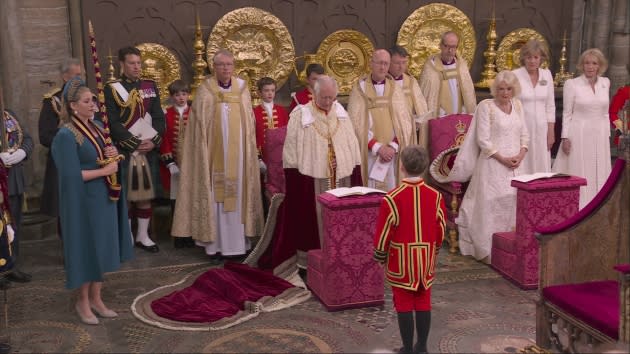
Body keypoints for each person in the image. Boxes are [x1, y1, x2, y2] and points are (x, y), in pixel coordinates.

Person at [51, 77, 133, 325]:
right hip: (83, 202)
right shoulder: (65, 135)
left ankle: (97, 298)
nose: (93, 105)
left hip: (103, 198)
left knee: (102, 249)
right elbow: (69, 175)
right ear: (73, 106)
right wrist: (103, 172)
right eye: (87, 101)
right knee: (86, 250)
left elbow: (105, 157)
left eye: (93, 100)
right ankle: (82, 301)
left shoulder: (97, 127)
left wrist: (114, 157)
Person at [172, 49, 263, 262]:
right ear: (214, 67)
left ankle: (239, 244)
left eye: (229, 64)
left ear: (233, 66)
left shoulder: (242, 88)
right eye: (221, 64)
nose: (225, 68)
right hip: (213, 157)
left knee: (238, 195)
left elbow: (250, 122)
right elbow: (197, 127)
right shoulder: (205, 89)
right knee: (216, 198)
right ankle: (216, 246)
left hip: (239, 156)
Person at [279, 75, 362, 269]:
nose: (328, 102)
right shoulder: (300, 115)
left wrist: (354, 169)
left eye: (332, 98)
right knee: (313, 224)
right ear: (314, 94)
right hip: (311, 182)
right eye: (324, 97)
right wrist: (295, 182)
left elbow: (353, 145)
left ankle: (341, 257)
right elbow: (290, 153)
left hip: (341, 178)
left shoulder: (341, 112)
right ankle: (312, 263)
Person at [373, 145, 446, 354]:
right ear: (423, 167)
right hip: (425, 258)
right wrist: (435, 249)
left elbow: (384, 232)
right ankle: (421, 347)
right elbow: (440, 227)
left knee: (403, 303)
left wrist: (380, 255)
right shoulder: (435, 196)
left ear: (402, 167)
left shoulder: (392, 197)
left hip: (400, 260)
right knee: (423, 300)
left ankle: (407, 348)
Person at [452, 71, 529, 263]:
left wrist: (520, 155)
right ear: (495, 89)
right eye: (501, 89)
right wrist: (503, 159)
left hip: (516, 165)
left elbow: (525, 135)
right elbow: (483, 140)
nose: (505, 93)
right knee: (491, 204)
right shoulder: (486, 107)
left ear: (514, 90)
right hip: (492, 163)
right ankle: (488, 248)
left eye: (509, 89)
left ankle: (509, 247)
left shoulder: (518, 105)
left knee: (513, 202)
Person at [104, 46, 165, 253]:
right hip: (127, 150)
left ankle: (143, 236)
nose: (137, 67)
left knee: (145, 194)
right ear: (122, 64)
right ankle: (127, 236)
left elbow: (158, 116)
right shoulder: (112, 88)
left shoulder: (150, 86)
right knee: (128, 195)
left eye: (139, 63)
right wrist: (133, 143)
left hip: (148, 149)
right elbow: (112, 121)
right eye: (132, 63)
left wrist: (154, 140)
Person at [552, 48, 611, 209]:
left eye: (594, 63)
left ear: (599, 66)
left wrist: (607, 134)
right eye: (587, 63)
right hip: (579, 132)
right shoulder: (572, 84)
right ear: (581, 65)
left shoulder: (605, 83)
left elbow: (606, 113)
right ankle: (578, 204)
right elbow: (567, 113)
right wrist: (565, 137)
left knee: (599, 167)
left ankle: (598, 203)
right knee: (581, 168)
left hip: (600, 133)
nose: (590, 67)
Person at [348, 49, 413, 191]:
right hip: (370, 154)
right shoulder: (360, 89)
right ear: (371, 64)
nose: (383, 67)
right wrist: (378, 147)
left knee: (392, 192)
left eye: (386, 64)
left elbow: (404, 123)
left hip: (393, 155)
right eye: (379, 63)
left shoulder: (395, 89)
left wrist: (392, 147)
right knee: (371, 194)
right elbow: (356, 125)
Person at [38, 58, 83, 221]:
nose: (81, 79)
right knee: (65, 212)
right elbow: (45, 135)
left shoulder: (88, 97)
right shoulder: (53, 101)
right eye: (76, 75)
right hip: (63, 161)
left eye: (81, 75)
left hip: (87, 161)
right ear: (65, 77)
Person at [158, 79, 194, 249]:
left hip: (192, 165)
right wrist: (170, 162)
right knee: (176, 200)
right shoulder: (166, 115)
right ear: (172, 97)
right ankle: (179, 235)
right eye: (177, 94)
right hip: (174, 166)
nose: (181, 97)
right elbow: (164, 139)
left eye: (184, 94)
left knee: (192, 198)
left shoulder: (195, 113)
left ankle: (193, 234)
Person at [0, 109, 34, 283]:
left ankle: (11, 266)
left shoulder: (9, 114)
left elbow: (27, 139)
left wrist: (22, 153)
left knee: (13, 227)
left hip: (13, 182)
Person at [512, 40, 556, 173]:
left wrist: (551, 132)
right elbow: (511, 105)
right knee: (523, 162)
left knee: (541, 164)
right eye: (529, 57)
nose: (532, 61)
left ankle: (539, 192)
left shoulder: (546, 74)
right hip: (521, 127)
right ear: (523, 58)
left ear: (541, 58)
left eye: (536, 57)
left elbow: (550, 106)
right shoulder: (515, 75)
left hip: (542, 129)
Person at [418, 31, 476, 120]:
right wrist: (439, 113)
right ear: (440, 45)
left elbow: (468, 94)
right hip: (439, 118)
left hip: (460, 116)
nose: (450, 50)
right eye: (446, 46)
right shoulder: (431, 67)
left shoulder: (461, 66)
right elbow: (427, 96)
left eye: (453, 47)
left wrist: (464, 111)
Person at [388, 45, 429, 148]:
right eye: (397, 63)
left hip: (411, 130)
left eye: (404, 62)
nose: (401, 66)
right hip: (391, 132)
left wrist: (419, 119)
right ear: (388, 62)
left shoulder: (411, 81)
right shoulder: (384, 83)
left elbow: (420, 105)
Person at [254, 76, 290, 169]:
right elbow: (252, 136)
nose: (270, 93)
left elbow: (288, 133)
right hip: (263, 155)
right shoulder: (254, 112)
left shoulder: (282, 111)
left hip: (281, 154)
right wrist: (258, 158)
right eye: (266, 90)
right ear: (259, 92)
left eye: (272, 90)